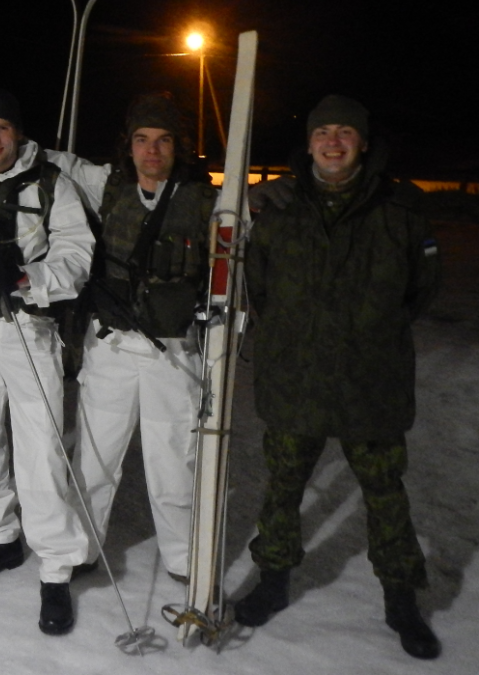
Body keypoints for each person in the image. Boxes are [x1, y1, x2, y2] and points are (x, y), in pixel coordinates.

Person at [235, 95, 441, 660]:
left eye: (345, 132)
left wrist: (370, 332)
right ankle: (273, 580)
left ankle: (401, 599)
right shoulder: (278, 207)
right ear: (308, 144)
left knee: (385, 494)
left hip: (370, 384)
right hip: (294, 380)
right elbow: (258, 286)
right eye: (322, 132)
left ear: (364, 142)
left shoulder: (401, 209)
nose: (333, 141)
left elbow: (421, 290)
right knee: (282, 490)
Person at [47, 93, 216, 583]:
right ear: (130, 145)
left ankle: (183, 559)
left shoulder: (205, 202)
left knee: (173, 464)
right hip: (112, 348)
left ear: (177, 146)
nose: (152, 151)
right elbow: (50, 158)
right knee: (95, 459)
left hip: (174, 353)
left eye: (163, 140)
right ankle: (82, 547)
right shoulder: (109, 188)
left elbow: (242, 239)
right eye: (142, 140)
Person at [0, 88, 93, 635]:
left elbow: (76, 256)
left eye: (2, 129)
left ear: (19, 133)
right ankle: (3, 537)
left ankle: (55, 569)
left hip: (28, 329)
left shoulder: (52, 183)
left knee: (41, 453)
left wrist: (26, 276)